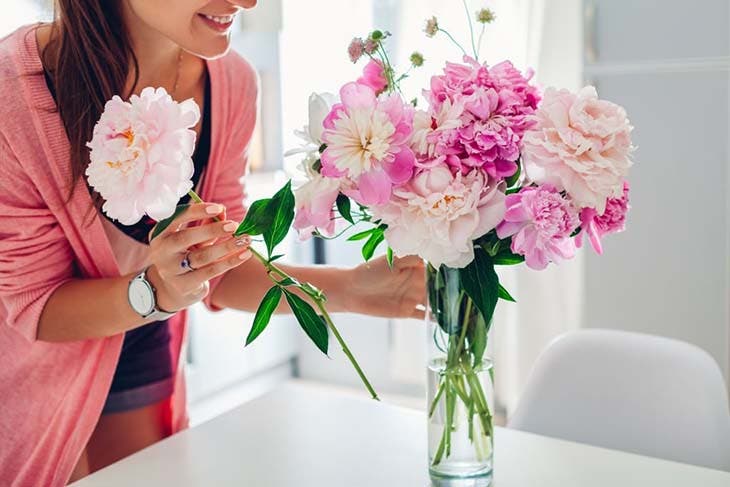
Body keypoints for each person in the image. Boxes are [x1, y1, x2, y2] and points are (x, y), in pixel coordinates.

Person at [0, 1, 425, 484]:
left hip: (141, 340)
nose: (246, 2)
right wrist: (155, 291)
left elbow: (220, 268)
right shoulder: (13, 94)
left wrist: (348, 290)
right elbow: (37, 305)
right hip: (29, 379)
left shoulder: (231, 84)